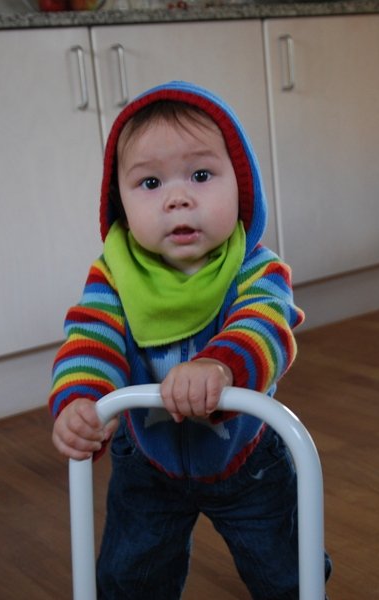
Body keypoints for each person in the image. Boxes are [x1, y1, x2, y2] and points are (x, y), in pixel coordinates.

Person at [49, 81, 330, 599]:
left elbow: (266, 325)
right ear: (119, 202)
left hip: (246, 459)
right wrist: (81, 402)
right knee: (128, 579)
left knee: (286, 573)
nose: (178, 198)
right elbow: (91, 338)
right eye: (150, 182)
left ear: (242, 185)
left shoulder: (254, 267)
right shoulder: (114, 276)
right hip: (147, 464)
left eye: (201, 175)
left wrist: (220, 366)